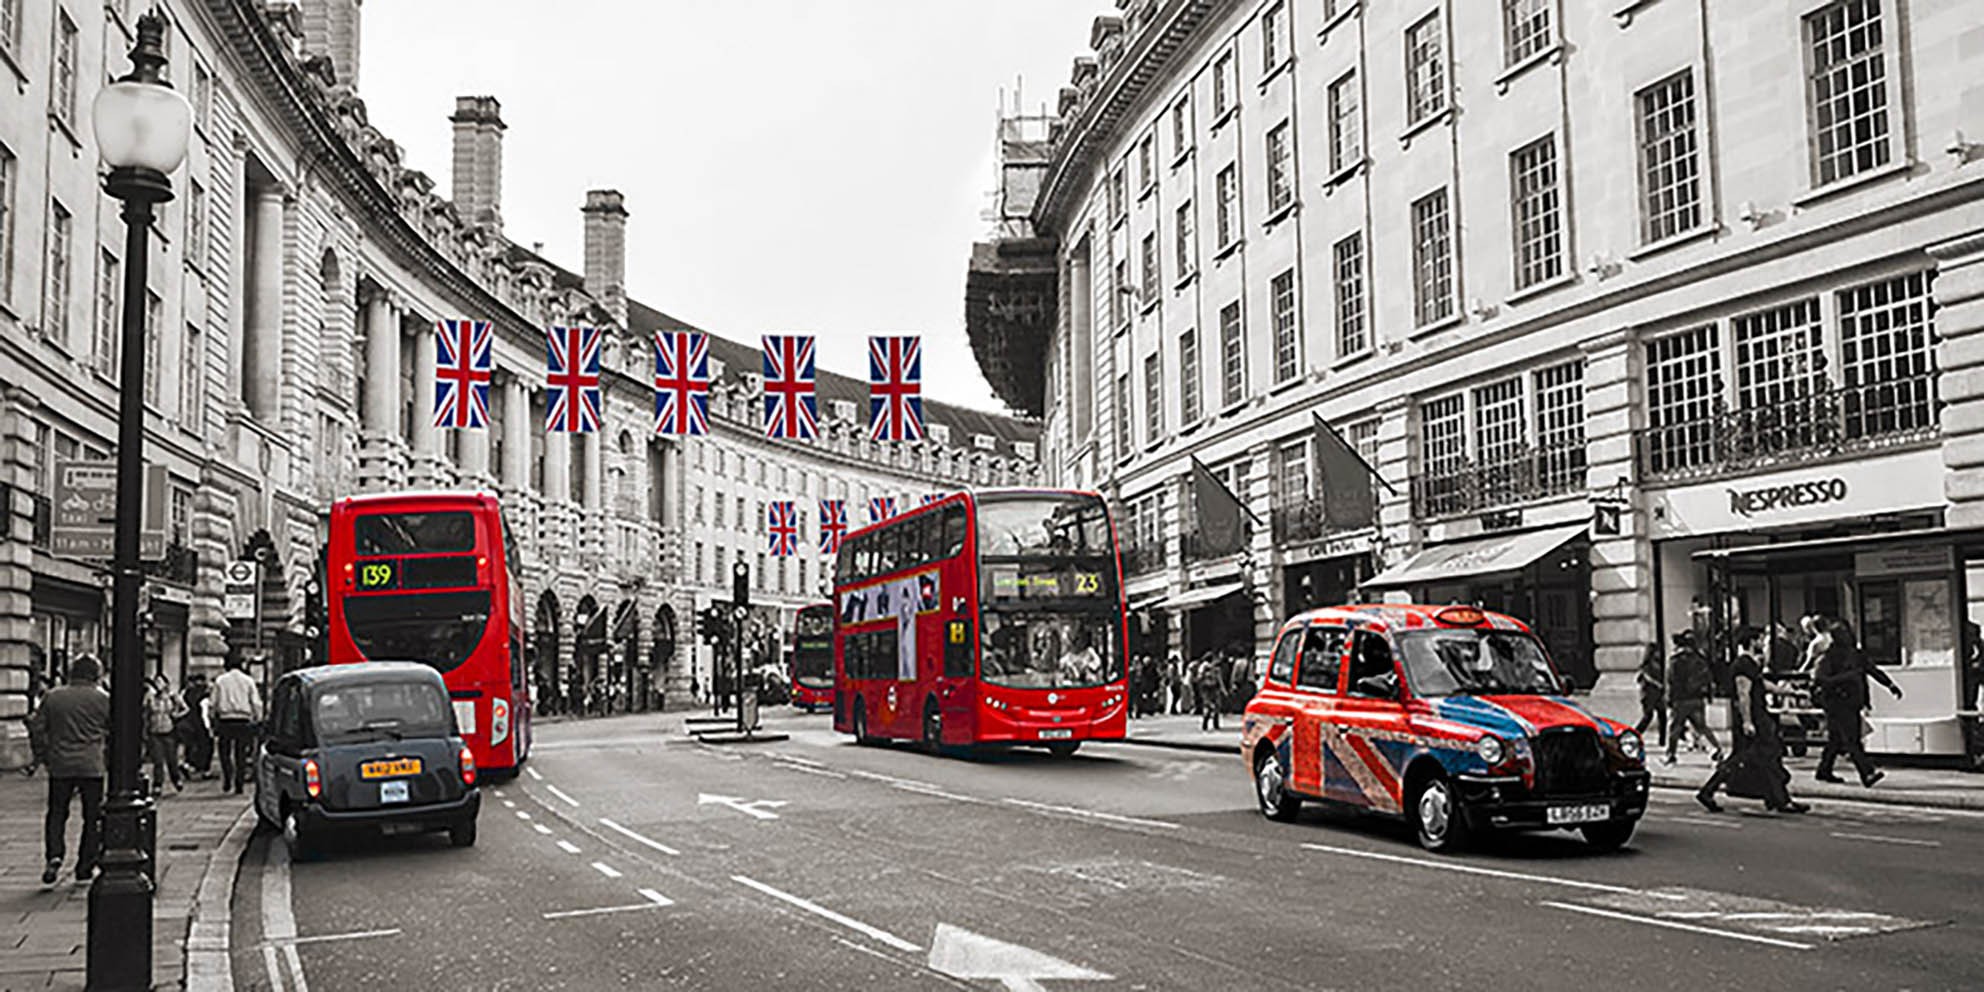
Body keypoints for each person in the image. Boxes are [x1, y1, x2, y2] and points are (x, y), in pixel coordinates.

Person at [1697, 627, 1808, 814]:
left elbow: (1762, 685)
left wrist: (1791, 692)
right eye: (1760, 639)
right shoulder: (1743, 664)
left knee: (1765, 758)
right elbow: (1744, 694)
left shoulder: (1749, 664)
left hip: (1756, 717)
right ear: (1752, 641)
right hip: (1755, 719)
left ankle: (1776, 799)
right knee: (1760, 756)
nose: (1762, 642)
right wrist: (1747, 721)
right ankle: (1778, 800)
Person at [25, 653, 109, 886]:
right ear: (96, 674)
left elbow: (37, 728)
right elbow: (114, 731)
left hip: (60, 764)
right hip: (92, 766)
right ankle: (84, 865)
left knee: (57, 813)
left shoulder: (53, 697)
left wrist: (43, 755)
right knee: (92, 817)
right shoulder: (103, 699)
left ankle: (54, 855)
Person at [1813, 617, 1902, 787]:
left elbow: (1873, 671)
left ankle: (1824, 770)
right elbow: (1820, 679)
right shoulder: (1829, 657)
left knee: (1836, 739)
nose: (1847, 636)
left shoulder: (1855, 654)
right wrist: (1846, 677)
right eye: (1842, 634)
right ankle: (1867, 772)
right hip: (1837, 702)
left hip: (1851, 702)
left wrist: (1890, 685)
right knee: (1852, 740)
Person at [1665, 630, 1720, 764]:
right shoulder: (1699, 658)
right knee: (1702, 727)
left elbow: (1671, 681)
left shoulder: (1675, 660)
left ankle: (1670, 754)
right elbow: (1708, 678)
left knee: (1675, 728)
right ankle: (1716, 749)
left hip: (1680, 699)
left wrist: (1669, 699)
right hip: (1696, 698)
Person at [211, 656, 263, 795]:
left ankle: (228, 778)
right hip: (243, 720)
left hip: (225, 720)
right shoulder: (248, 681)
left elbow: (213, 703)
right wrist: (258, 718)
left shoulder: (220, 681)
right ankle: (239, 783)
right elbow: (256, 702)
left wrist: (212, 718)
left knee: (225, 752)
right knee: (241, 753)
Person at [144, 674, 186, 796]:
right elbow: (145, 711)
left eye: (161, 682)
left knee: (171, 758)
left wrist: (176, 715)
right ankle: (157, 784)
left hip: (169, 731)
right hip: (154, 730)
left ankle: (176, 779)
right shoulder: (150, 697)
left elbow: (185, 708)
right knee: (158, 760)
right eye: (156, 682)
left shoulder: (172, 696)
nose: (158, 684)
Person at [1633, 642, 1668, 750]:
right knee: (1648, 717)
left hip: (1657, 694)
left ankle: (1662, 740)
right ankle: (1634, 735)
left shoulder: (1657, 663)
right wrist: (1659, 684)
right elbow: (1647, 677)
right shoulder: (1647, 665)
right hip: (1649, 695)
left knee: (1662, 716)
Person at [178, 672, 213, 778]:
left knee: (191, 746)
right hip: (201, 724)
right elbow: (205, 712)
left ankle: (188, 765)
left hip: (188, 723)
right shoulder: (205, 694)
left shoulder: (186, 692)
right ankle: (204, 770)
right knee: (206, 747)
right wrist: (209, 727)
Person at [1193, 653, 1226, 732]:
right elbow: (1219, 680)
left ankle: (1205, 723)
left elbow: (1199, 677)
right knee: (1216, 705)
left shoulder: (1202, 667)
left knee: (1207, 705)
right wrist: (1223, 690)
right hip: (1214, 688)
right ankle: (1215, 723)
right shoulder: (1215, 668)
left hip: (1205, 688)